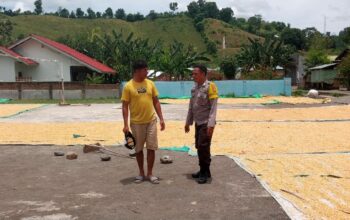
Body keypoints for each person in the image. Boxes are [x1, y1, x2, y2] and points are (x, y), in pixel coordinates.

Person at [121, 60, 165, 184]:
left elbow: (156, 101)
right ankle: (141, 173)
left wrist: (161, 118)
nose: (147, 72)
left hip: (151, 121)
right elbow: (125, 106)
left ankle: (150, 173)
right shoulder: (128, 86)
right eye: (145, 70)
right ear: (137, 71)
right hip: (136, 123)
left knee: (151, 148)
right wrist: (125, 124)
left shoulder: (150, 84)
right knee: (139, 149)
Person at [185, 64, 219, 184]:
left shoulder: (210, 87)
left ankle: (204, 172)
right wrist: (188, 122)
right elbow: (191, 107)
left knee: (203, 147)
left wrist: (211, 125)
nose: (193, 76)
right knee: (199, 147)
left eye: (196, 74)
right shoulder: (194, 89)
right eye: (193, 74)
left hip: (206, 123)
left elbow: (213, 108)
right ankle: (204, 170)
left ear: (204, 74)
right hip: (198, 123)